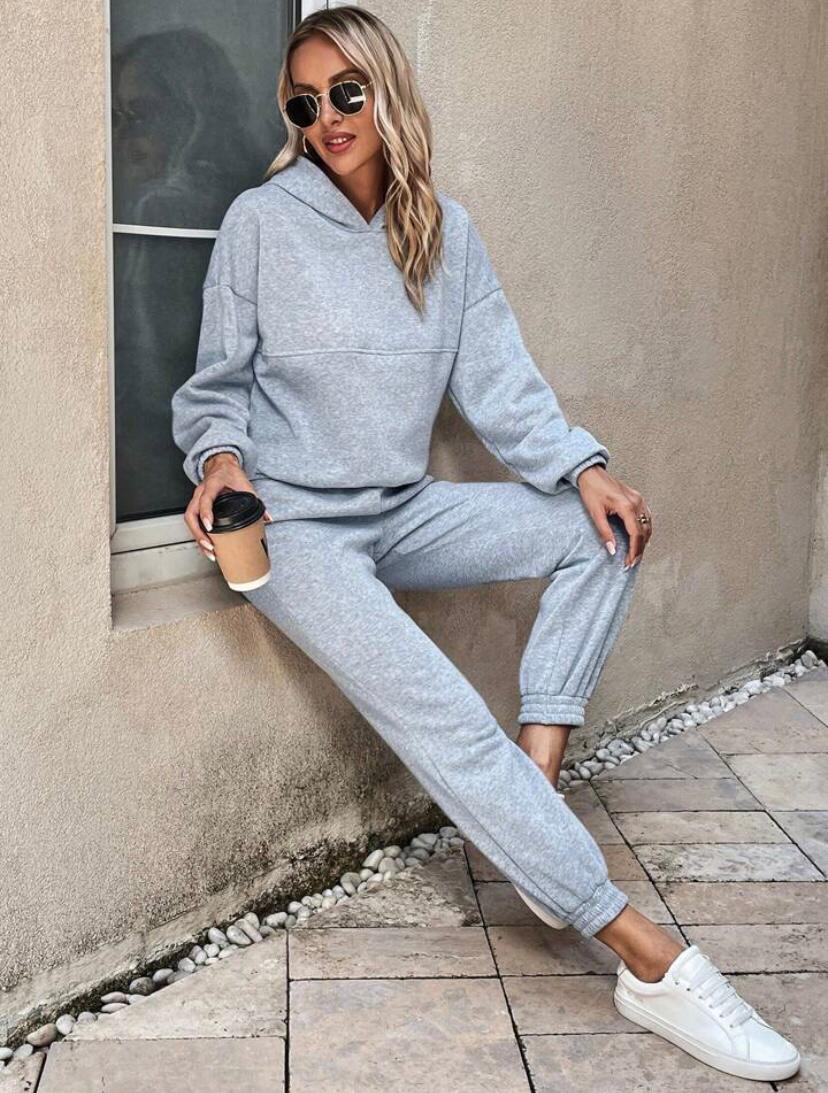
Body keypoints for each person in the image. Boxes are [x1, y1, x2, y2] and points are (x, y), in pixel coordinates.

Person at [170, 6, 800, 1083]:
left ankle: (533, 785)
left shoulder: (443, 232)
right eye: (304, 103)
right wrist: (220, 463)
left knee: (604, 531)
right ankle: (647, 958)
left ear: (388, 91)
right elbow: (214, 388)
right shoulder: (260, 224)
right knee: (449, 719)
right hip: (295, 530)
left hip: (399, 506)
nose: (326, 118)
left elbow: (501, 386)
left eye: (347, 93)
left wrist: (584, 467)